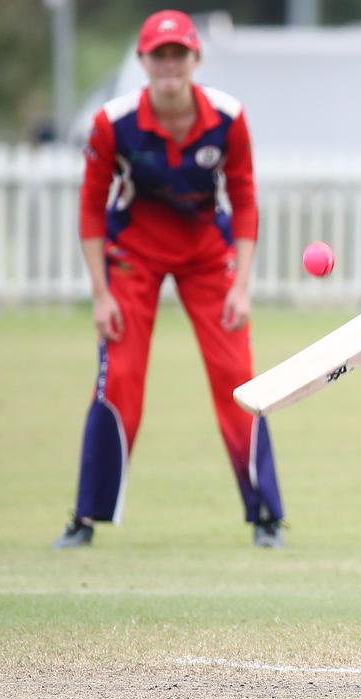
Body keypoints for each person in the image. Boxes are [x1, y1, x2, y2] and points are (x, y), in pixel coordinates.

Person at [52, 10, 285, 550]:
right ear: (143, 62)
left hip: (208, 256)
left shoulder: (227, 118)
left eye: (179, 54)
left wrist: (241, 285)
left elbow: (245, 199)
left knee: (239, 381)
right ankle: (87, 517)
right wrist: (101, 294)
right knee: (120, 380)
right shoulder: (114, 123)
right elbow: (90, 209)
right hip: (133, 255)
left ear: (195, 59)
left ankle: (266, 515)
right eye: (159, 56)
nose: (170, 65)